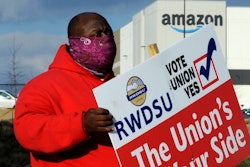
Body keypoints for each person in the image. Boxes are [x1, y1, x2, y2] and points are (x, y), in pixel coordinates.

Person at [14, 12, 120, 167]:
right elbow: (27, 131)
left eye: (108, 33)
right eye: (97, 34)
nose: (105, 38)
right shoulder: (43, 86)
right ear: (75, 43)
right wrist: (81, 124)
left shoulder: (120, 85)